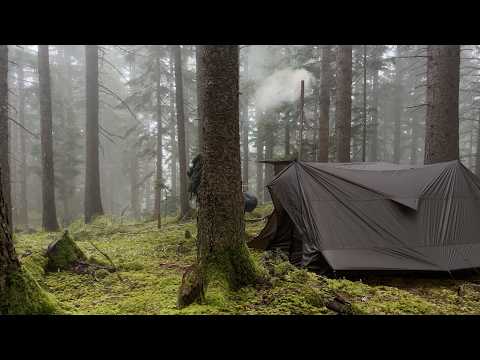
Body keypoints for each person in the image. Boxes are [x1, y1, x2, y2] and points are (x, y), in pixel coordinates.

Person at [188, 154, 258, 213]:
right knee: (252, 201)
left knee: (252, 201)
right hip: (224, 200)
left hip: (227, 198)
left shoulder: (201, 170)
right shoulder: (208, 171)